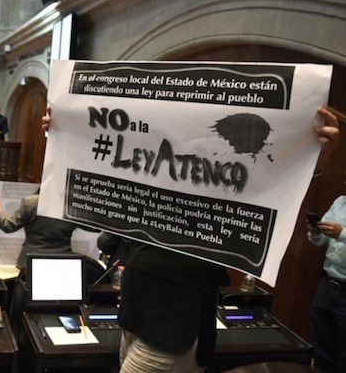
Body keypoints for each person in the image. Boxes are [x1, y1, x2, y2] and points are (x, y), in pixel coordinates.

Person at [42, 105, 340, 372]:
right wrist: (64, 133)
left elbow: (266, 188)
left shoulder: (217, 194)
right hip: (134, 320)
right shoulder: (152, 185)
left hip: (170, 335)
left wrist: (312, 162)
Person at [307, 151, 345, 370]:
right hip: (327, 286)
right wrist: (315, 231)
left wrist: (341, 232)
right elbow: (320, 241)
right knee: (322, 350)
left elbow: (339, 233)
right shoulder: (340, 202)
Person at [0, 186, 81, 268]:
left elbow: (8, 225)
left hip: (30, 262)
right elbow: (91, 228)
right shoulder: (73, 205)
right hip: (64, 262)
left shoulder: (32, 202)